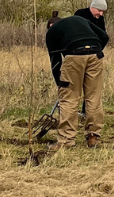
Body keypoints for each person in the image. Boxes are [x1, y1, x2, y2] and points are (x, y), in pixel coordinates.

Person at [44, 15, 109, 148]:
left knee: (70, 98)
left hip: (74, 55)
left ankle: (66, 141)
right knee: (93, 96)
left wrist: (61, 85)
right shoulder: (80, 19)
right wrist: (92, 51)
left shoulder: (51, 33)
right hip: (96, 55)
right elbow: (104, 36)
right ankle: (93, 137)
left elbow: (55, 61)